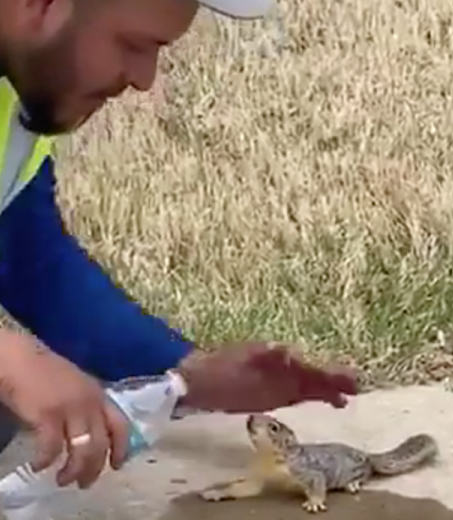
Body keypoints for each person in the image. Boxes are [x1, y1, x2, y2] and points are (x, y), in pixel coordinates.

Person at [0, 0, 359, 495]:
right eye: (132, 44)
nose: (146, 80)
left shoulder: (18, 100)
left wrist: (186, 375)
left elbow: (28, 263)